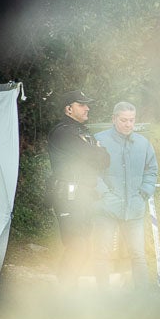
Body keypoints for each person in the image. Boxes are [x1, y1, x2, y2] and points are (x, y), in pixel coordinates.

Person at [47, 89, 111, 286]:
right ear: (68, 109)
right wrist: (97, 150)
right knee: (77, 245)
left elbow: (105, 160)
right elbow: (96, 156)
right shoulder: (63, 132)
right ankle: (65, 288)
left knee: (83, 246)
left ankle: (68, 286)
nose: (87, 107)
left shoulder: (82, 132)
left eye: (87, 104)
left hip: (83, 196)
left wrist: (98, 152)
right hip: (68, 196)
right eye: (81, 104)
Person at [95, 101, 159, 288]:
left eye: (131, 120)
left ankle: (143, 298)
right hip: (106, 209)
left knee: (138, 254)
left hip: (134, 209)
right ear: (114, 119)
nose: (128, 124)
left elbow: (152, 170)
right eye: (123, 120)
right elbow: (90, 171)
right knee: (102, 253)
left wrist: (144, 193)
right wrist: (104, 194)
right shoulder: (99, 140)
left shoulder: (143, 143)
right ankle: (102, 298)